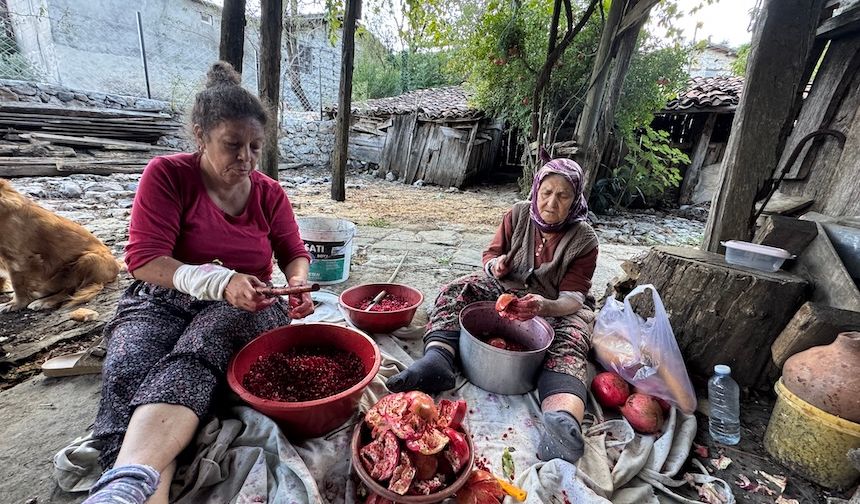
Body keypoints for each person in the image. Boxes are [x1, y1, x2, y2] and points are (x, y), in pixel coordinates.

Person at [83, 61, 313, 504]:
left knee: (199, 348)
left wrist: (297, 283)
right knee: (128, 367)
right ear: (200, 135)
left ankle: (132, 481)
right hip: (163, 298)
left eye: (255, 147)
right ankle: (130, 487)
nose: (245, 158)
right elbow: (145, 261)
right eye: (232, 144)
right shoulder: (168, 176)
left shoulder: (269, 193)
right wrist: (219, 279)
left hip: (248, 304)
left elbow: (292, 253)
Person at [387, 156, 599, 465]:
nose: (551, 202)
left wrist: (544, 306)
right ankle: (438, 361)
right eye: (546, 192)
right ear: (536, 190)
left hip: (556, 305)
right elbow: (492, 253)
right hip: (507, 288)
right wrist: (495, 265)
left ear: (575, 198)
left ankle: (562, 420)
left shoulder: (584, 240)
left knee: (572, 340)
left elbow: (573, 298)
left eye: (563, 195)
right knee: (458, 288)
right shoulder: (518, 214)